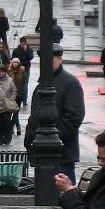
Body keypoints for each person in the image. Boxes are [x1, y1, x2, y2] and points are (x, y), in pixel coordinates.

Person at [24, 47, 85, 182]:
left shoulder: (70, 83)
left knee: (62, 194)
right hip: (41, 153)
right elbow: (35, 115)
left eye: (49, 59)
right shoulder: (42, 84)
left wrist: (55, 138)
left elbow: (75, 116)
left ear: (59, 59)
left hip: (61, 155)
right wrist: (29, 138)